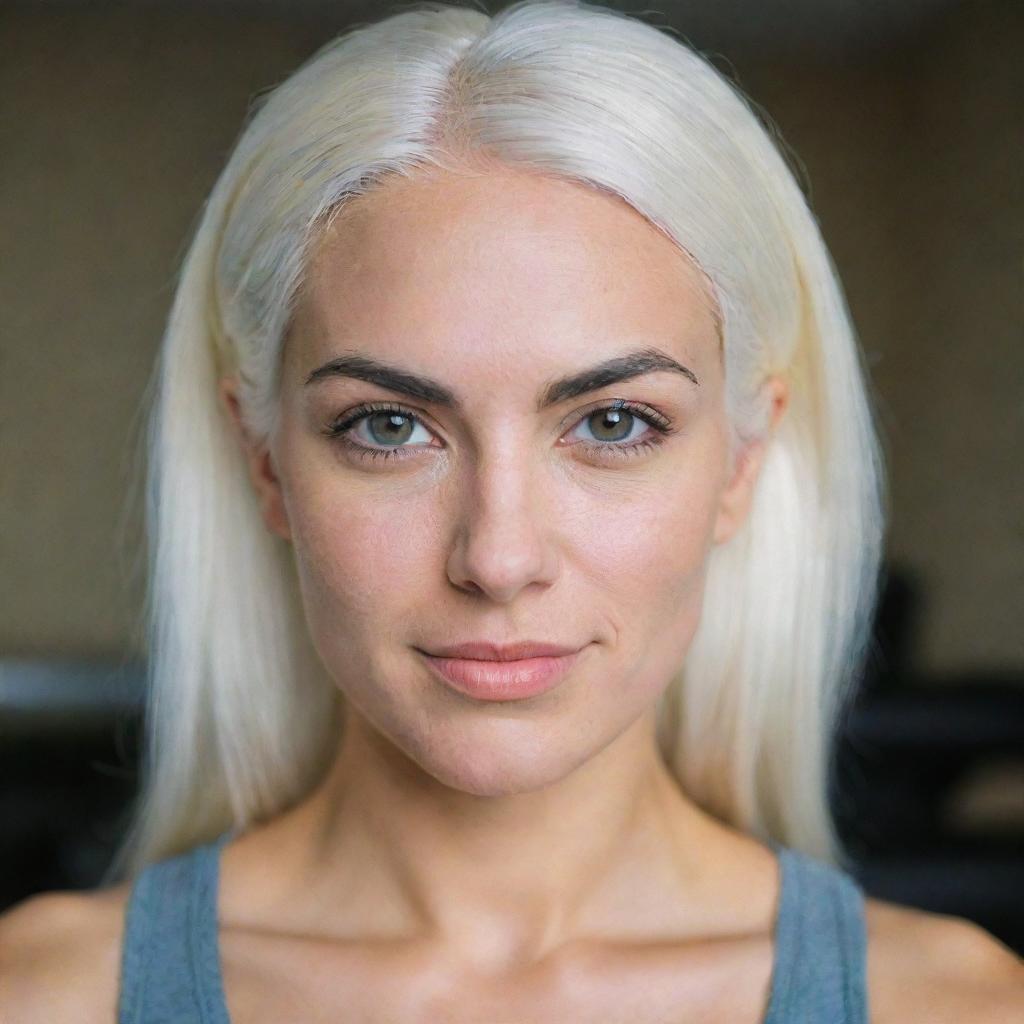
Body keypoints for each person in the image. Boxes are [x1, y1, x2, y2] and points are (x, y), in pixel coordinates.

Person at [2, 0, 1021, 1020]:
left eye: (614, 422)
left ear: (742, 461)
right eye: (389, 426)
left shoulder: (959, 1005)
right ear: (263, 460)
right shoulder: (44, 994)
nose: (497, 557)